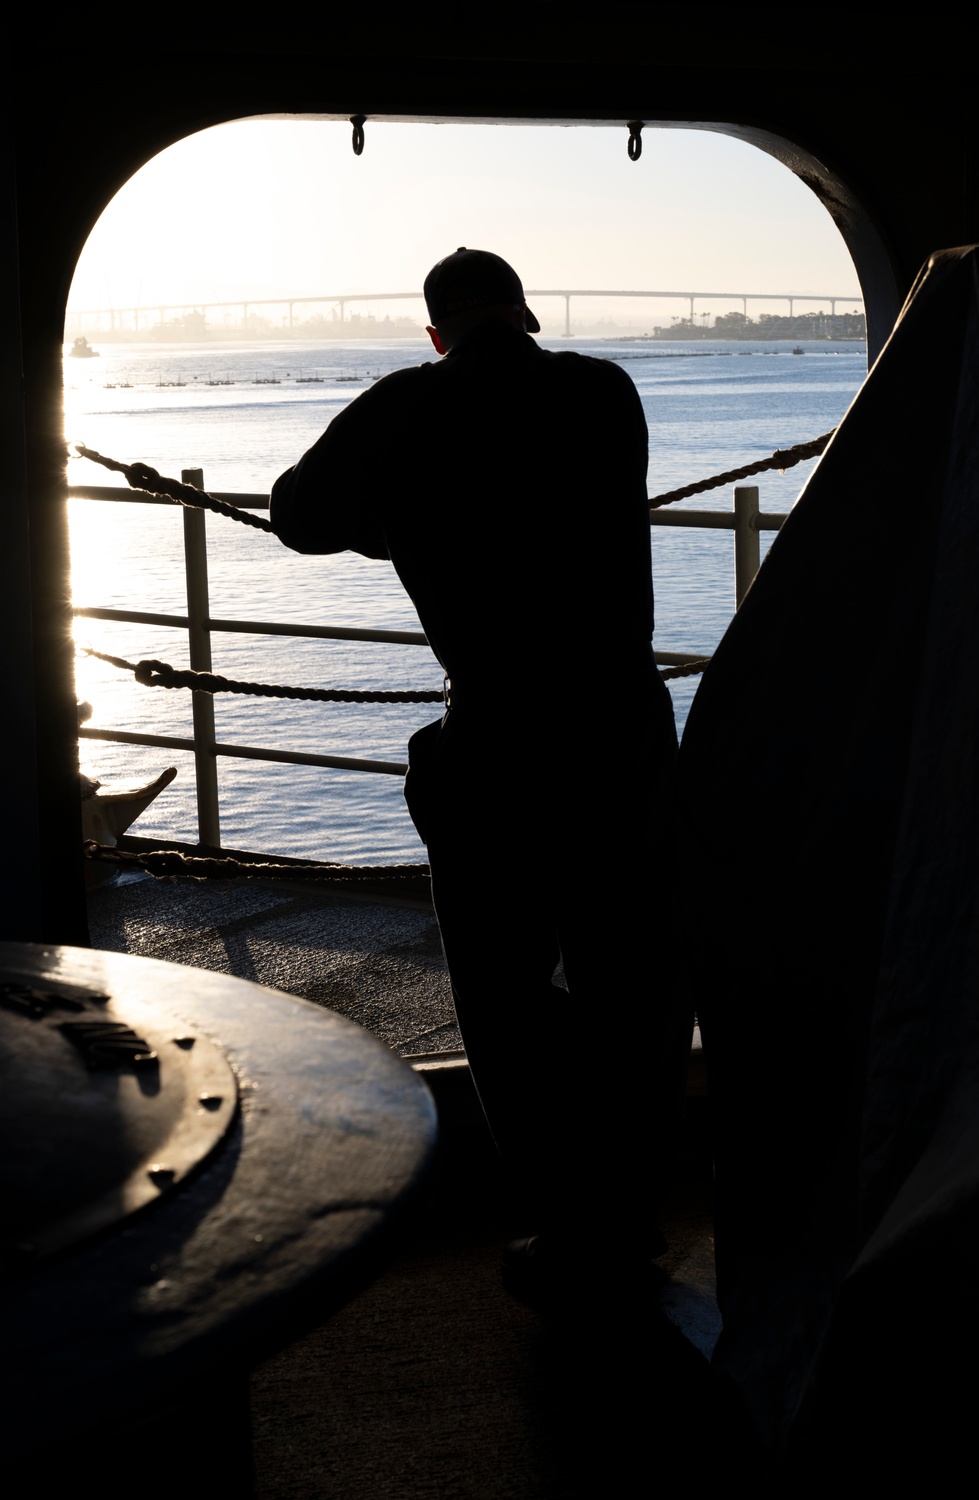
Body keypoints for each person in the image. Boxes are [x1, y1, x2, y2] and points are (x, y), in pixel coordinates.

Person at [270, 248, 692, 1297]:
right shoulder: (605, 390)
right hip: (621, 730)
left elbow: (297, 514)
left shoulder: (403, 408)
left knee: (503, 994)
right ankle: (632, 1215)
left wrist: (397, 527)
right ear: (526, 315)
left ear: (435, 334)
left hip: (499, 737)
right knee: (633, 982)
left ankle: (561, 1225)